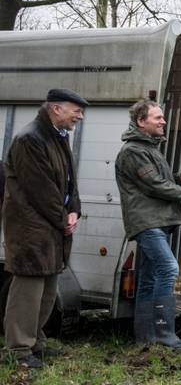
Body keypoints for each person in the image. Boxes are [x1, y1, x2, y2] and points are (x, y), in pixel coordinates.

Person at [3, 89, 88, 368]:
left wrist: (74, 208)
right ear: (56, 109)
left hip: (50, 225)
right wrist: (64, 219)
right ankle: (18, 350)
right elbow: (41, 190)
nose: (80, 116)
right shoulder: (30, 139)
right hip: (31, 228)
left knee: (48, 287)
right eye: (76, 110)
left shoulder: (58, 136)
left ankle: (35, 342)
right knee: (28, 290)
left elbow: (68, 181)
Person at [115, 99, 181, 350]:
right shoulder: (133, 151)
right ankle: (166, 335)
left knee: (147, 278)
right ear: (141, 122)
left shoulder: (150, 149)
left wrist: (180, 178)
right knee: (168, 269)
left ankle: (145, 337)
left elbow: (158, 180)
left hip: (157, 220)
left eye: (162, 117)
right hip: (148, 222)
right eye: (158, 118)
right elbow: (154, 186)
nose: (163, 121)